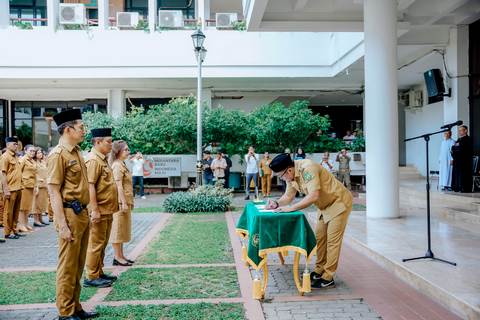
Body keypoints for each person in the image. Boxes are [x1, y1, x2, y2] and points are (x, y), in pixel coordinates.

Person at [266, 153, 352, 289]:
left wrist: (291, 209)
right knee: (320, 238)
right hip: (324, 206)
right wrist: (276, 203)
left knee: (332, 241)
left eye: (280, 176)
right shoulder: (291, 174)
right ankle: (319, 270)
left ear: (289, 170)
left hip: (338, 202)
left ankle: (328, 276)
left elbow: (313, 195)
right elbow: (288, 196)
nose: (282, 179)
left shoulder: (307, 168)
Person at [47, 109, 97, 319]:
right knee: (68, 265)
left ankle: (76, 306)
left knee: (77, 265)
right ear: (68, 129)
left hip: (81, 213)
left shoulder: (75, 151)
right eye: (81, 128)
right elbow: (53, 191)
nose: (84, 131)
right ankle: (65, 312)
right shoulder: (58, 155)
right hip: (69, 214)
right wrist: (62, 225)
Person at [84, 128, 118, 288]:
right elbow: (90, 186)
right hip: (100, 210)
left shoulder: (102, 159)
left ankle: (98, 271)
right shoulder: (93, 160)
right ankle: (91, 276)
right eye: (108, 141)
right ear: (97, 142)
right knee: (95, 243)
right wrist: (94, 210)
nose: (111, 145)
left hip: (107, 209)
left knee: (102, 243)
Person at [109, 140, 135, 267]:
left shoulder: (122, 164)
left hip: (126, 200)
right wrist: (123, 203)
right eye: (126, 149)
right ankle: (117, 257)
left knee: (123, 229)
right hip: (120, 202)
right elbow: (118, 185)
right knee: (117, 230)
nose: (128, 152)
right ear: (118, 151)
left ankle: (121, 255)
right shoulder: (117, 165)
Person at [1, 137, 24, 240]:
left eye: (16, 144)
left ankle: (14, 230)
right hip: (10, 189)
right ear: (8, 145)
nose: (16, 146)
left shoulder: (15, 156)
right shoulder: (5, 157)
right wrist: (6, 189)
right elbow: (3, 174)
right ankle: (7, 232)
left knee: (15, 211)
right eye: (14, 144)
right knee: (8, 212)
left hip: (18, 188)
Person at [18, 144, 37, 231]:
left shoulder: (32, 161)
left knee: (27, 207)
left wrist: (36, 186)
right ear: (25, 151)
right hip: (24, 186)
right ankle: (21, 224)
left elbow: (35, 174)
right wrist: (20, 185)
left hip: (31, 185)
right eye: (31, 151)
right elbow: (18, 173)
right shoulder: (23, 160)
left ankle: (26, 223)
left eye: (34, 151)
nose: (33, 153)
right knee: (22, 207)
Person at [451, 125, 473, 193]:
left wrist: (457, 147)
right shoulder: (459, 139)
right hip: (457, 160)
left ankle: (464, 188)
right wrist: (456, 148)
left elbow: (464, 149)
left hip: (465, 161)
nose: (460, 132)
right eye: (459, 130)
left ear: (466, 130)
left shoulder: (468, 139)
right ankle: (457, 187)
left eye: (461, 130)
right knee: (457, 174)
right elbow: (453, 148)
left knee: (464, 175)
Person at [33, 148, 49, 226]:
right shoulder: (34, 162)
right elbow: (34, 173)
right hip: (38, 185)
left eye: (41, 153)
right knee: (36, 204)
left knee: (42, 203)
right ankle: (36, 220)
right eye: (38, 153)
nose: (40, 154)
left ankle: (41, 219)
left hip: (44, 185)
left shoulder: (43, 162)